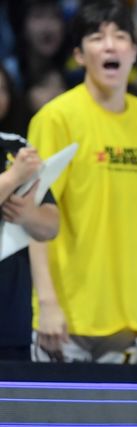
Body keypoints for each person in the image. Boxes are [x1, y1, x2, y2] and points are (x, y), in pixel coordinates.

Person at [27, 0, 137, 363]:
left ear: (134, 52)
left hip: (128, 317)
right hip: (64, 318)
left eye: (120, 36)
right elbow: (34, 216)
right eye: (97, 38)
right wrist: (47, 303)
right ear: (79, 55)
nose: (110, 45)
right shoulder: (56, 119)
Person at [0, 132, 59, 361]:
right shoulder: (18, 167)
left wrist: (28, 215)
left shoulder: (16, 147)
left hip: (12, 321)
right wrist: (12, 178)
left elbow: (50, 227)